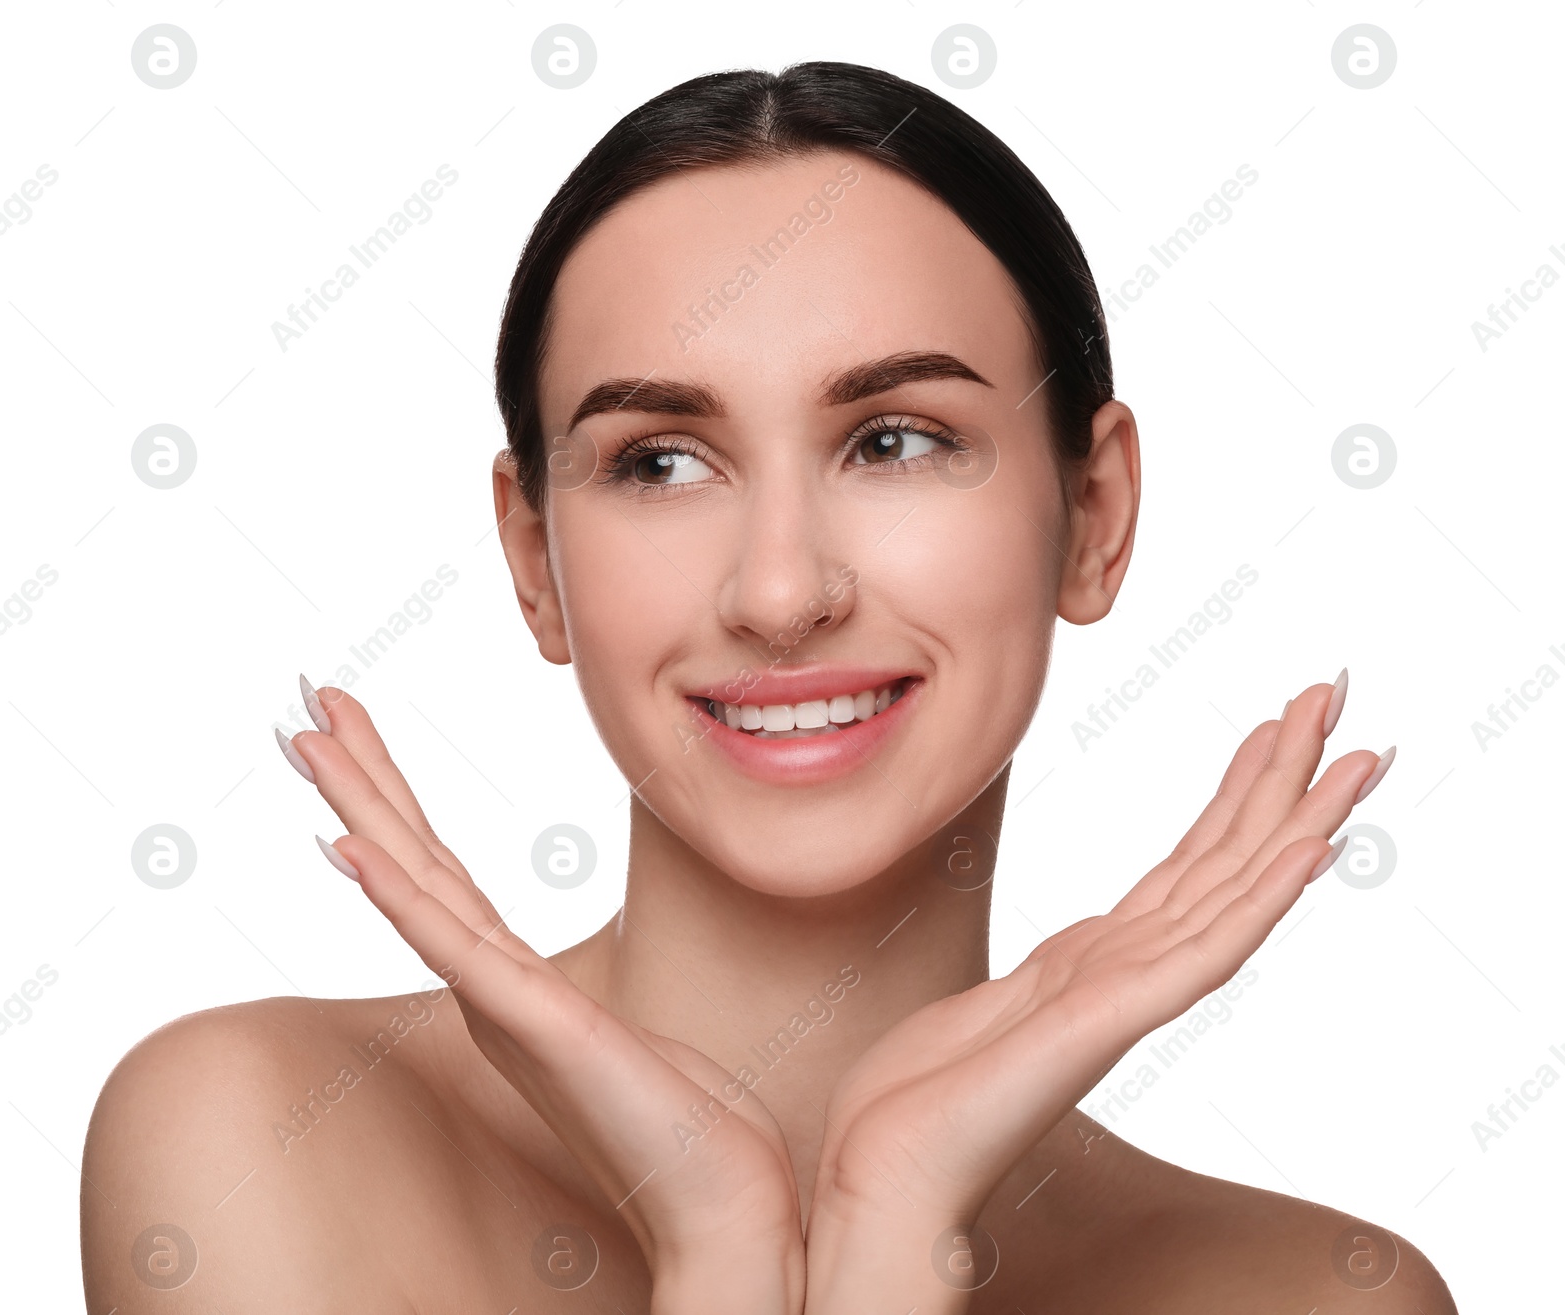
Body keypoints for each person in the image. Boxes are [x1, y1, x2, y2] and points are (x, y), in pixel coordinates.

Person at [80, 61, 1455, 1312]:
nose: (783, 594)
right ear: (534, 561)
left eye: (897, 441)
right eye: (660, 462)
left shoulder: (1318, 1298)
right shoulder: (260, 1146)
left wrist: (893, 1216)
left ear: (1092, 515)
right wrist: (725, 1242)